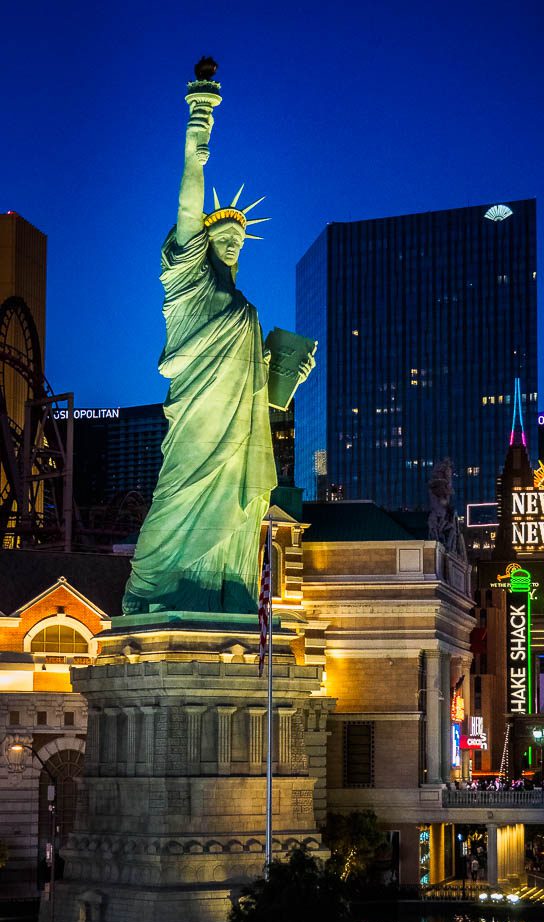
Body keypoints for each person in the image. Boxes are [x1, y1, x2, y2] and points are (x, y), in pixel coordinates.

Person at [122, 78, 313, 615]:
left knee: (235, 515)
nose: (231, 242)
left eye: (237, 239)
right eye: (220, 236)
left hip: (240, 436)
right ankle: (153, 595)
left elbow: (260, 395)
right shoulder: (190, 284)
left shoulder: (244, 306)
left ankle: (223, 597)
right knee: (172, 506)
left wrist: (284, 379)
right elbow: (187, 211)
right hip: (197, 424)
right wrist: (196, 141)